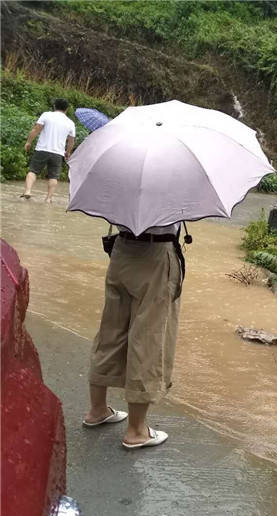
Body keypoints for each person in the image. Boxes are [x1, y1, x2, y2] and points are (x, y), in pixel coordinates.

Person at [82, 223, 184, 449]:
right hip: (156, 254)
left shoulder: (118, 186)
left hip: (122, 250)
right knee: (148, 338)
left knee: (111, 330)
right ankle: (137, 430)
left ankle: (97, 409)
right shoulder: (170, 187)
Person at [21, 98, 76, 203]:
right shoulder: (70, 123)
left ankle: (28, 191)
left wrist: (28, 142)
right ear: (67, 109)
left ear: (54, 106)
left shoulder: (46, 115)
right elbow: (71, 141)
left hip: (42, 149)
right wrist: (68, 152)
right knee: (53, 176)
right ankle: (48, 198)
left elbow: (36, 129)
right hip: (58, 153)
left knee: (33, 171)